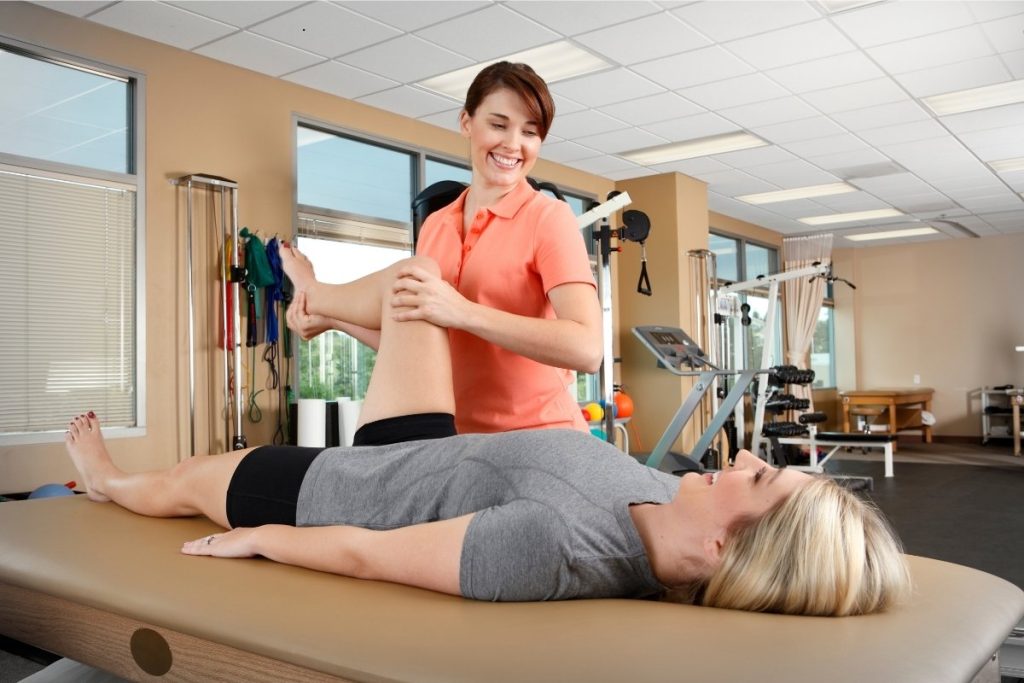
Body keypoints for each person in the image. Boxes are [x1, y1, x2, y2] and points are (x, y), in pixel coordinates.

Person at [63, 255, 911, 615]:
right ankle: (315, 310)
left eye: (760, 479)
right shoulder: (671, 497)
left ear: (724, 549)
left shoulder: (555, 548)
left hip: (340, 487)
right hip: (426, 445)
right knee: (415, 285)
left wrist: (265, 539)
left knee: (181, 478)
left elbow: (366, 552)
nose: (752, 457)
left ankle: (103, 482)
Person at [286, 61, 601, 435]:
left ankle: (317, 293)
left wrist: (463, 311)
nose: (513, 144)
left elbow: (587, 349)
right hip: (459, 442)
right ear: (467, 122)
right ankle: (319, 299)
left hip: (541, 436)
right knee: (414, 278)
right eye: (498, 125)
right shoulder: (436, 224)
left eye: (530, 133)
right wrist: (335, 321)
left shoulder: (548, 217)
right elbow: (419, 339)